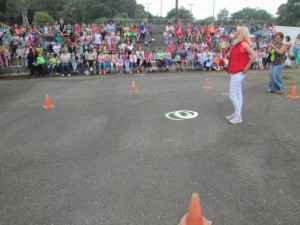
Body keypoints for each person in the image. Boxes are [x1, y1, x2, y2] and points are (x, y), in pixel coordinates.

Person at [226, 26, 256, 124]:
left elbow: (254, 55)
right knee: (238, 94)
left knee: (232, 95)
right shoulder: (238, 43)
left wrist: (247, 66)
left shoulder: (242, 43)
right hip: (236, 71)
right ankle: (236, 114)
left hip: (238, 72)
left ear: (240, 33)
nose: (234, 32)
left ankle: (238, 116)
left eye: (236, 31)